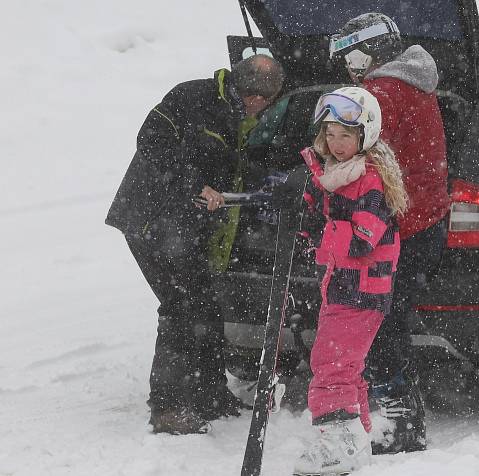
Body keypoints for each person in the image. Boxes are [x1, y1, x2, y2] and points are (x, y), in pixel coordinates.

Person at [105, 54, 285, 434]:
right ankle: (168, 409)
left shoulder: (243, 118)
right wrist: (194, 184)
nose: (261, 105)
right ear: (247, 90)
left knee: (205, 304)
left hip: (188, 226)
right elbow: (150, 141)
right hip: (151, 219)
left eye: (266, 100)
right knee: (180, 308)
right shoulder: (191, 96)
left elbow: (231, 163)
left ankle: (209, 394)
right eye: (259, 98)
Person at [329, 12, 449, 453]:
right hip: (425, 220)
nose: (346, 66)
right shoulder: (414, 81)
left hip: (397, 227)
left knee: (378, 322)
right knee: (390, 319)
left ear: (369, 49)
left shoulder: (379, 94)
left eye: (349, 55)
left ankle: (395, 419)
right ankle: (395, 409)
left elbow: (352, 159)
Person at [293, 87, 408, 475]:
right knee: (346, 365)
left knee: (332, 364)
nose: (336, 144)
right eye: (330, 134)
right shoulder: (334, 176)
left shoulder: (369, 182)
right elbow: (316, 216)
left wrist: (319, 232)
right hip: (342, 286)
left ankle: (335, 444)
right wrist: (295, 208)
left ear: (365, 136)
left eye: (345, 135)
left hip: (362, 290)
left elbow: (360, 239)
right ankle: (356, 441)